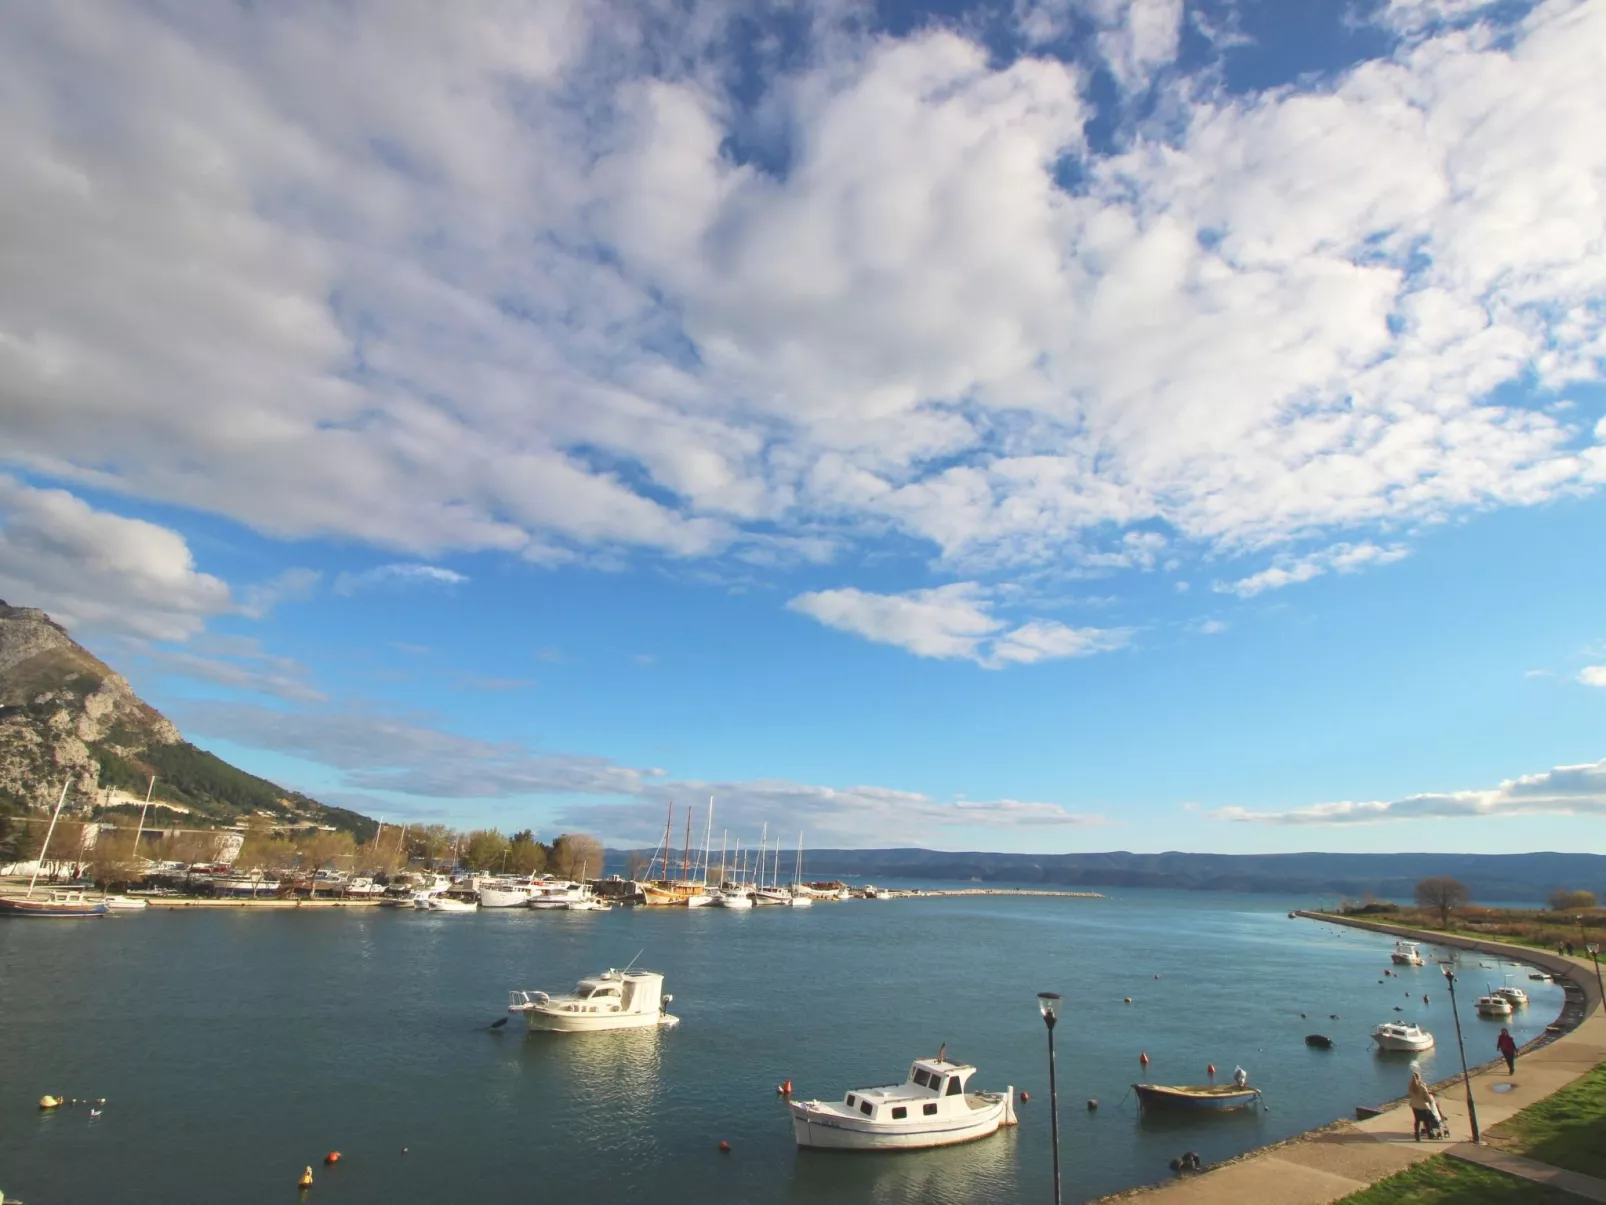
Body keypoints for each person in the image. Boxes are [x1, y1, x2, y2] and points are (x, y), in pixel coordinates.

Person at [1407, 1070, 1436, 1140]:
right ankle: (1430, 1134)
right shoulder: (1422, 1087)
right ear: (1419, 1078)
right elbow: (1428, 1098)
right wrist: (1430, 1100)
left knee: (1417, 1120)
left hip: (1414, 1106)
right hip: (1423, 1106)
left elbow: (1411, 1095)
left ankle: (1417, 1135)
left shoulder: (1411, 1086)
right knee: (1427, 1120)